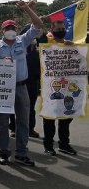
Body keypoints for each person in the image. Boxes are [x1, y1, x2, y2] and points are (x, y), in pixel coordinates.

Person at [0, 1, 43, 166]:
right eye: (7, 28)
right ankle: (4, 153)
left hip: (21, 87)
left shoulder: (22, 40)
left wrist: (27, 9)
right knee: (2, 122)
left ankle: (22, 153)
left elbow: (38, 24)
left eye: (12, 28)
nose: (10, 31)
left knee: (23, 121)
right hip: (3, 89)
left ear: (16, 30)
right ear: (2, 31)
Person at [42, 20, 77, 156]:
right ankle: (48, 146)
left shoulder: (70, 44)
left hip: (66, 87)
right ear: (52, 29)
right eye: (58, 28)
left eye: (63, 28)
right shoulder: (47, 41)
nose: (61, 30)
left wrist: (71, 47)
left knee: (66, 117)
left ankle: (64, 144)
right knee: (49, 118)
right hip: (50, 87)